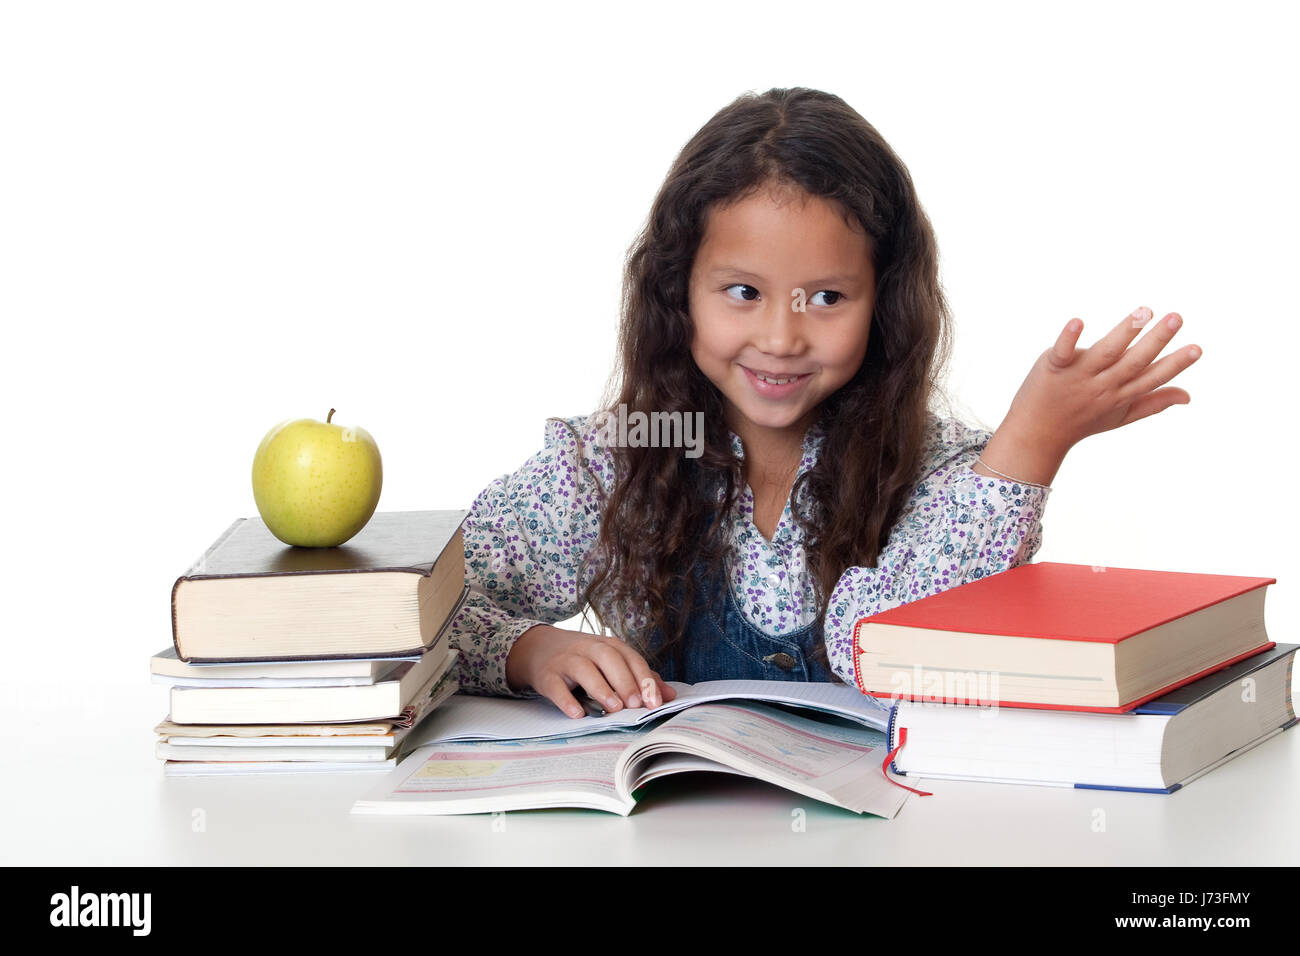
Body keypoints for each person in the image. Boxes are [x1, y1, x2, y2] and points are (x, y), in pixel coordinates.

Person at [446, 87, 1201, 720]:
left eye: (828, 298)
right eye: (743, 292)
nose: (781, 336)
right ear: (680, 292)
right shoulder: (620, 458)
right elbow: (417, 617)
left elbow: (895, 650)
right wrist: (527, 649)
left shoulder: (943, 476)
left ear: (886, 303)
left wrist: (1030, 444)